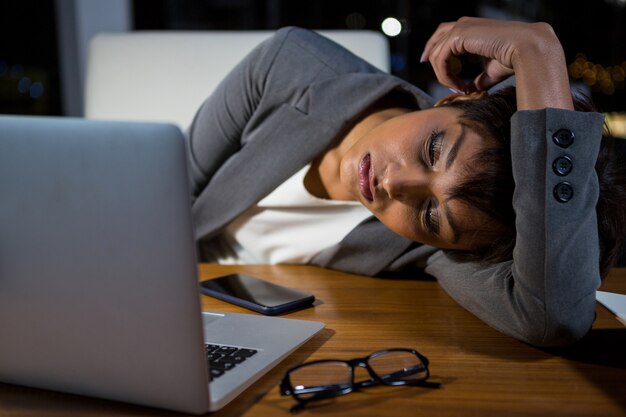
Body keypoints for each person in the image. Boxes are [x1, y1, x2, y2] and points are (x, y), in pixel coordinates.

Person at [185, 17, 626, 347]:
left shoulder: (428, 249)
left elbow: (555, 316)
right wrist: (541, 39)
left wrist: (537, 55)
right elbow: (164, 194)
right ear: (457, 98)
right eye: (434, 149)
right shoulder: (290, 65)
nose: (397, 186)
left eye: (432, 213)